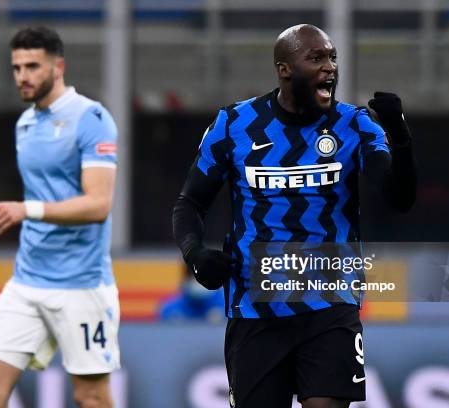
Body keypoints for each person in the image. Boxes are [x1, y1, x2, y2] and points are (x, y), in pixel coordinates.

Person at [172, 24, 416, 408]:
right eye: (316, 58)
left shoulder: (354, 124)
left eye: (332, 57)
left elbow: (399, 199)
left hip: (330, 301)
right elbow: (190, 204)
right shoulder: (234, 125)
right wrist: (195, 253)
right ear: (285, 69)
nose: (329, 68)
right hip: (256, 305)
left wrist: (399, 137)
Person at [0, 27, 119, 408]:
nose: (23, 75)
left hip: (81, 285)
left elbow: (99, 204)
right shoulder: (24, 124)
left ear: (58, 66)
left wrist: (26, 210)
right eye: (17, 67)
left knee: (92, 397)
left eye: (33, 65)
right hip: (27, 280)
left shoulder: (92, 118)